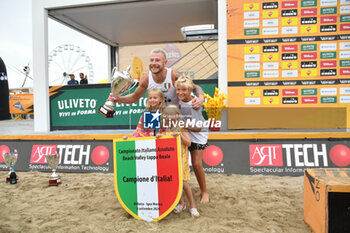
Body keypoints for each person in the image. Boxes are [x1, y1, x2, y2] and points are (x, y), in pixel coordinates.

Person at [108, 48, 204, 109]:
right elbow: (135, 97)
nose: (154, 63)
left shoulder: (174, 75)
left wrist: (200, 98)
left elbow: (195, 87)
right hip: (158, 118)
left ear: (165, 62)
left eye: (157, 60)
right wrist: (117, 99)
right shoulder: (146, 78)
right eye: (151, 60)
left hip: (176, 117)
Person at [156, 105, 199, 217]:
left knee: (184, 183)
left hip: (182, 159)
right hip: (171, 160)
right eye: (167, 116)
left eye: (172, 116)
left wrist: (179, 135)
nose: (170, 118)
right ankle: (181, 203)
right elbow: (162, 141)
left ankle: (192, 206)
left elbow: (188, 143)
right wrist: (159, 136)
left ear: (177, 116)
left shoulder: (181, 127)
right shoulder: (165, 128)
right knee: (175, 183)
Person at [175, 75, 209, 203]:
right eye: (178, 89)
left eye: (184, 90)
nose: (180, 92)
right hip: (186, 133)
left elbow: (198, 128)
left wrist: (182, 125)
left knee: (196, 164)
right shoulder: (177, 100)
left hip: (198, 134)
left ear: (190, 91)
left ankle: (204, 191)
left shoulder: (194, 104)